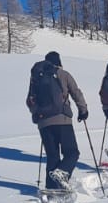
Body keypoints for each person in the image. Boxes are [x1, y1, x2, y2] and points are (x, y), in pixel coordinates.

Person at [25, 51, 89, 192]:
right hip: (62, 120)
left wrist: (38, 115)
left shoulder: (36, 77)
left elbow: (30, 101)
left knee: (52, 156)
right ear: (59, 62)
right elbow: (76, 92)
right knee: (72, 153)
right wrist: (83, 110)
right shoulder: (63, 74)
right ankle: (62, 173)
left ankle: (51, 188)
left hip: (43, 123)